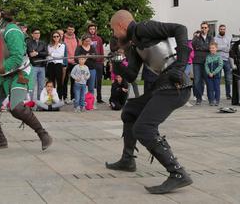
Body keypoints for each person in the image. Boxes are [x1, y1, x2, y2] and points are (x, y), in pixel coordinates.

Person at [105, 10, 192, 195]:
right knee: (130, 111)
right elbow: (131, 76)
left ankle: (177, 173)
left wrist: (181, 65)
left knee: (144, 129)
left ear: (121, 25)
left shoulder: (145, 27)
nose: (113, 34)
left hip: (176, 85)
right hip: (163, 85)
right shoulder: (135, 45)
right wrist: (118, 63)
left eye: (113, 30)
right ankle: (128, 160)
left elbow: (180, 29)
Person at [0, 2, 52, 151]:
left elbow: (16, 58)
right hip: (4, 74)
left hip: (20, 72)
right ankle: (0, 140)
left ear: (0, 12)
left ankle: (43, 134)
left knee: (16, 108)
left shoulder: (11, 30)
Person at [191, 22, 211, 106]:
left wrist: (201, 48)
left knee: (208, 80)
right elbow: (195, 46)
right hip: (197, 61)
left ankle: (211, 99)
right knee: (197, 81)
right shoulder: (196, 37)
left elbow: (211, 47)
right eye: (202, 27)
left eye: (205, 27)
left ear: (208, 28)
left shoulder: (210, 38)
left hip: (207, 61)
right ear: (200, 28)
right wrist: (205, 48)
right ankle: (198, 98)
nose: (204, 29)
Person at [27, 28, 48, 100]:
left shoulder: (43, 43)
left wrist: (37, 53)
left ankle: (40, 104)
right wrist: (36, 53)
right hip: (33, 66)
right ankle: (30, 103)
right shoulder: (29, 43)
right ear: (32, 34)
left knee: (41, 86)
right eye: (36, 33)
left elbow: (46, 53)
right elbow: (30, 53)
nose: (37, 34)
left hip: (42, 66)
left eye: (39, 33)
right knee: (31, 86)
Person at [87, 23, 105, 103]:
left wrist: (102, 60)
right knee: (90, 82)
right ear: (88, 30)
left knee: (99, 81)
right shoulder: (86, 39)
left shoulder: (99, 39)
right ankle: (89, 98)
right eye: (91, 29)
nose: (92, 30)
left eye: (93, 29)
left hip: (99, 62)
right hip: (90, 63)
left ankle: (99, 98)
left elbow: (101, 50)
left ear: (95, 30)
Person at [213, 24, 232, 100]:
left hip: (226, 60)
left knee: (228, 79)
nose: (222, 30)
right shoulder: (215, 39)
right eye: (221, 29)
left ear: (225, 30)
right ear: (218, 30)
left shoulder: (228, 38)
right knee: (218, 78)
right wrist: (224, 47)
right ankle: (217, 95)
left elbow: (229, 49)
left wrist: (220, 48)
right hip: (218, 60)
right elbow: (215, 49)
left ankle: (228, 94)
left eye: (224, 29)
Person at [61, 25, 78, 104]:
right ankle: (65, 97)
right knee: (64, 80)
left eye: (72, 29)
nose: (70, 31)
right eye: (69, 29)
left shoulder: (76, 39)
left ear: (74, 30)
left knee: (74, 81)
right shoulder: (63, 38)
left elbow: (78, 50)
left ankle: (73, 97)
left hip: (74, 62)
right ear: (66, 29)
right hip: (66, 62)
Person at [205, 42, 223, 106]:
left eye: (213, 48)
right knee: (210, 88)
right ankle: (211, 100)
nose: (212, 49)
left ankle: (217, 100)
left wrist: (214, 73)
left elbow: (220, 66)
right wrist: (209, 73)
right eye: (210, 48)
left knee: (216, 88)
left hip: (216, 75)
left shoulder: (219, 57)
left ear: (216, 48)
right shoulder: (208, 57)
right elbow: (206, 65)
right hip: (209, 75)